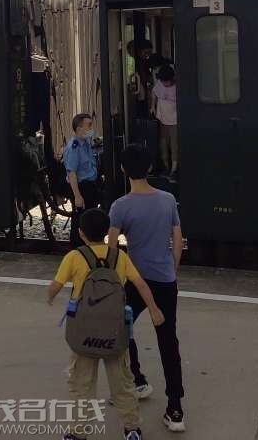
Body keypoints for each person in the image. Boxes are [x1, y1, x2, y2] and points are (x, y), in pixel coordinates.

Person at [48, 208, 165, 440]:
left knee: (81, 385)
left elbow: (56, 286)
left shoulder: (74, 257)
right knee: (122, 383)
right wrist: (154, 309)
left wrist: (50, 297)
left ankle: (78, 433)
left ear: (81, 233)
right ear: (107, 232)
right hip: (115, 331)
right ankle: (132, 429)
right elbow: (140, 284)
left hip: (83, 332)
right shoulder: (119, 256)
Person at [108, 145, 186, 433]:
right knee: (168, 341)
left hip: (134, 281)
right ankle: (175, 409)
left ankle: (138, 380)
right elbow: (177, 240)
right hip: (165, 281)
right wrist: (172, 269)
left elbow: (112, 248)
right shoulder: (168, 200)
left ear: (123, 170)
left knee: (122, 328)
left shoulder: (120, 206)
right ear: (150, 168)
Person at [64, 113, 99, 247]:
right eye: (88, 125)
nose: (91, 128)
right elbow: (72, 173)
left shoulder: (85, 143)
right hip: (81, 187)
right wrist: (77, 196)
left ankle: (89, 246)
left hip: (89, 185)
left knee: (89, 219)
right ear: (79, 129)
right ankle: (77, 248)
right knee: (80, 220)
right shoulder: (74, 147)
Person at [150, 65, 178, 176]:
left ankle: (174, 169)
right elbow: (154, 93)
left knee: (174, 145)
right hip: (162, 120)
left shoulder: (177, 87)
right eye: (163, 81)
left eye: (167, 81)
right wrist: (153, 106)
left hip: (174, 121)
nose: (165, 84)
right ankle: (166, 167)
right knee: (163, 145)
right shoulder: (159, 84)